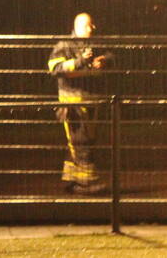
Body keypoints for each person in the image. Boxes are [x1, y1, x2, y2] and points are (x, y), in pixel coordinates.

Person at [47, 12, 110, 194]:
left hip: (90, 100)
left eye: (92, 25)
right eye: (88, 25)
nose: (92, 29)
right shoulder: (63, 45)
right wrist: (80, 61)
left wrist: (104, 61)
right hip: (72, 102)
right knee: (81, 142)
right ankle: (87, 183)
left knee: (80, 142)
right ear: (77, 26)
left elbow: (111, 56)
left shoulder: (94, 44)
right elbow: (55, 68)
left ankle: (73, 179)